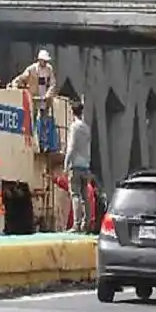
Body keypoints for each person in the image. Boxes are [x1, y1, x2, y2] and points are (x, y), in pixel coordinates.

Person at [64, 100, 92, 233]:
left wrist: (66, 164)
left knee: (75, 194)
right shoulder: (87, 128)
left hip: (75, 166)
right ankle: (87, 223)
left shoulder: (74, 127)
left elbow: (72, 147)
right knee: (85, 195)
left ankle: (76, 224)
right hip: (85, 166)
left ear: (72, 112)